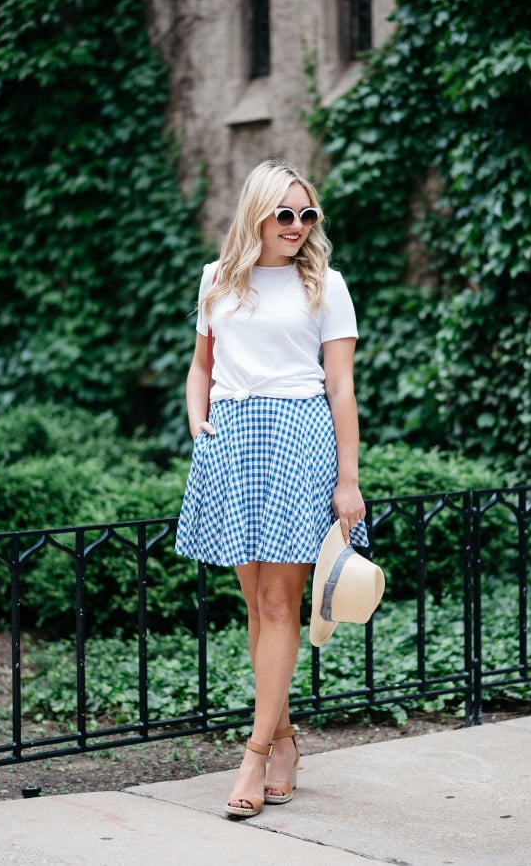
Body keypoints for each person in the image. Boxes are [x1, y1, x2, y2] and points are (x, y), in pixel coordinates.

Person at [175, 158, 368, 818]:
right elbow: (200, 366)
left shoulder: (326, 284)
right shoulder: (215, 279)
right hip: (231, 442)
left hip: (297, 438)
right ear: (257, 211)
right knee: (256, 606)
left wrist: (349, 479)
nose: (296, 226)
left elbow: (340, 385)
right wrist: (200, 423)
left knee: (283, 605)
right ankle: (285, 738)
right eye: (285, 213)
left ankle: (255, 753)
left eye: (306, 214)